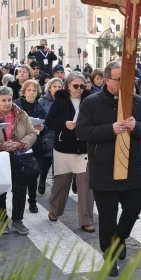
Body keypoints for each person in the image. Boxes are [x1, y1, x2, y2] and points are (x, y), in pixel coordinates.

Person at [76, 62, 141, 277]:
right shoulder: (91, 103)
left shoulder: (138, 102)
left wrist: (135, 126)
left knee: (134, 209)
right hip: (104, 169)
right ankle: (109, 255)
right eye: (119, 80)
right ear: (107, 80)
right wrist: (109, 129)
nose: (124, 84)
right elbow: (82, 131)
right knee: (107, 217)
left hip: (132, 168)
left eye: (128, 80)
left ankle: (119, 240)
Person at [45, 72, 94, 232]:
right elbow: (50, 122)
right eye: (75, 85)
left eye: (82, 86)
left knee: (85, 185)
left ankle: (86, 219)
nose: (79, 89)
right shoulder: (60, 100)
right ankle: (55, 210)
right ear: (67, 85)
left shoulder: (90, 100)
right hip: (64, 148)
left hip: (84, 148)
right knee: (61, 183)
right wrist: (64, 124)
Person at [0, 86, 38, 234]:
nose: (7, 103)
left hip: (19, 156)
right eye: (3, 100)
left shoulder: (21, 114)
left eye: (9, 100)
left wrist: (19, 144)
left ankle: (18, 220)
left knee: (20, 188)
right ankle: (2, 221)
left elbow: (32, 133)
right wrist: (1, 145)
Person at [14, 79, 48, 213]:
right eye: (29, 90)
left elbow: (46, 128)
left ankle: (32, 201)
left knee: (34, 174)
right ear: (24, 91)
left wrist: (41, 127)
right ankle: (19, 205)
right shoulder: (17, 105)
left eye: (34, 90)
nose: (31, 93)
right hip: (20, 144)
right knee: (20, 176)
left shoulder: (39, 107)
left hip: (35, 145)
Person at [37, 77, 63, 194]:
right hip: (47, 135)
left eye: (59, 87)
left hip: (60, 136)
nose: (57, 89)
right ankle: (42, 180)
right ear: (49, 88)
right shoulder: (42, 101)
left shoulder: (64, 100)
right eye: (54, 86)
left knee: (57, 165)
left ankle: (55, 189)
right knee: (46, 162)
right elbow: (38, 117)